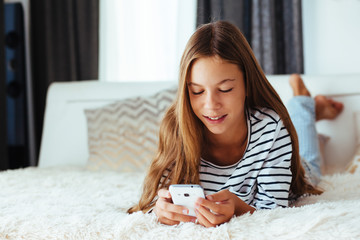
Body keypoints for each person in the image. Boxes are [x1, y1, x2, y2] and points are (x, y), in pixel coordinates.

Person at [127, 21, 343, 227]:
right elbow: (150, 203)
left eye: (225, 89)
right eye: (197, 91)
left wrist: (240, 209)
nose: (211, 105)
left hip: (294, 166)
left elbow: (275, 211)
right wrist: (159, 210)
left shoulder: (270, 127)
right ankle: (312, 109)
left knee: (312, 166)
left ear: (247, 85)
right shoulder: (177, 128)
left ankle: (302, 103)